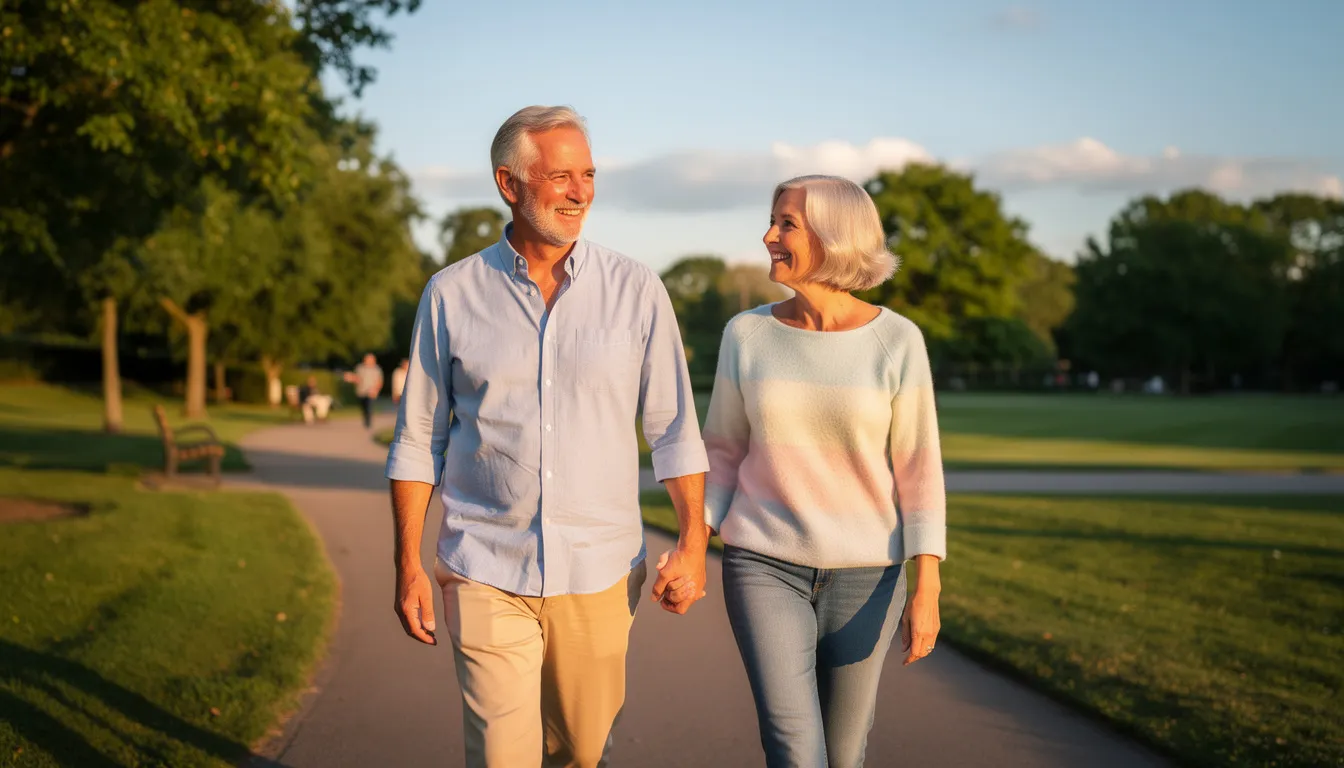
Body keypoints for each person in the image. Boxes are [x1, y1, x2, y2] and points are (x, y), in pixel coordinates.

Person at [384, 105, 710, 768]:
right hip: (484, 567)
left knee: (581, 754)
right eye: (560, 176)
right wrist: (408, 563)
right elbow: (419, 437)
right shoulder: (450, 295)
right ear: (510, 184)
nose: (581, 192)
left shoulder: (637, 290)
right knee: (502, 756)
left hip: (598, 569)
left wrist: (695, 539)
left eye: (587, 174)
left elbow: (674, 428)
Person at [702, 175, 948, 768]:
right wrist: (692, 543)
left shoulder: (897, 341)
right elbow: (722, 453)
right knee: (796, 749)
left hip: (870, 576)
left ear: (834, 237)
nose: (769, 236)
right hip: (764, 563)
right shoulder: (747, 334)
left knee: (843, 752)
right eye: (774, 220)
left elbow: (919, 471)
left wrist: (928, 586)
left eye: (786, 223)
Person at [344, 353, 383, 429]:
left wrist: (376, 390)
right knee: (364, 407)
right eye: (366, 359)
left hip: (371, 392)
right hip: (361, 391)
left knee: (369, 407)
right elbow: (357, 378)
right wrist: (350, 378)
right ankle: (366, 419)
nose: (367, 360)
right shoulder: (360, 368)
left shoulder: (377, 369)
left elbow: (379, 381)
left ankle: (368, 423)